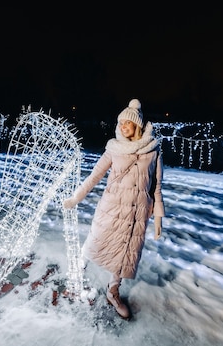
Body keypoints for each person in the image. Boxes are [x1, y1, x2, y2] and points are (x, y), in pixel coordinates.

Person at [63, 98, 164, 319]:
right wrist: (75, 198)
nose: (122, 127)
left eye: (127, 123)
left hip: (137, 213)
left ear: (136, 124)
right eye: (120, 123)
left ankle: (113, 291)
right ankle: (78, 271)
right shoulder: (114, 148)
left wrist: (158, 218)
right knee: (96, 239)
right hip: (112, 208)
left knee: (124, 253)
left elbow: (156, 188)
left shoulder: (153, 151)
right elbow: (94, 176)